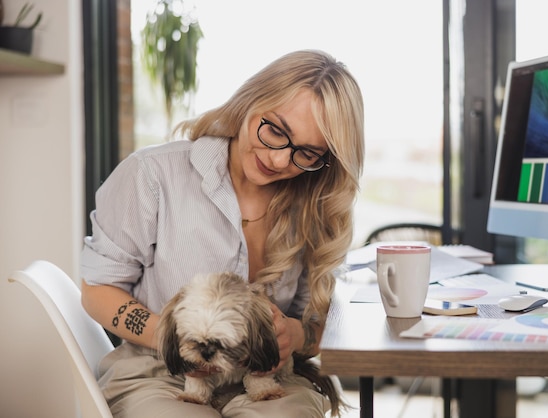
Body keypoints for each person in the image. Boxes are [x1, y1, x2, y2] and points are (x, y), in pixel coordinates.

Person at [80, 49, 365, 418]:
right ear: (249, 100)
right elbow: (98, 291)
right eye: (276, 130)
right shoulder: (151, 175)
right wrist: (175, 342)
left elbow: (321, 323)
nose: (279, 160)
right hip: (158, 374)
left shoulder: (315, 206)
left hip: (268, 380)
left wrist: (294, 336)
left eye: (307, 153)